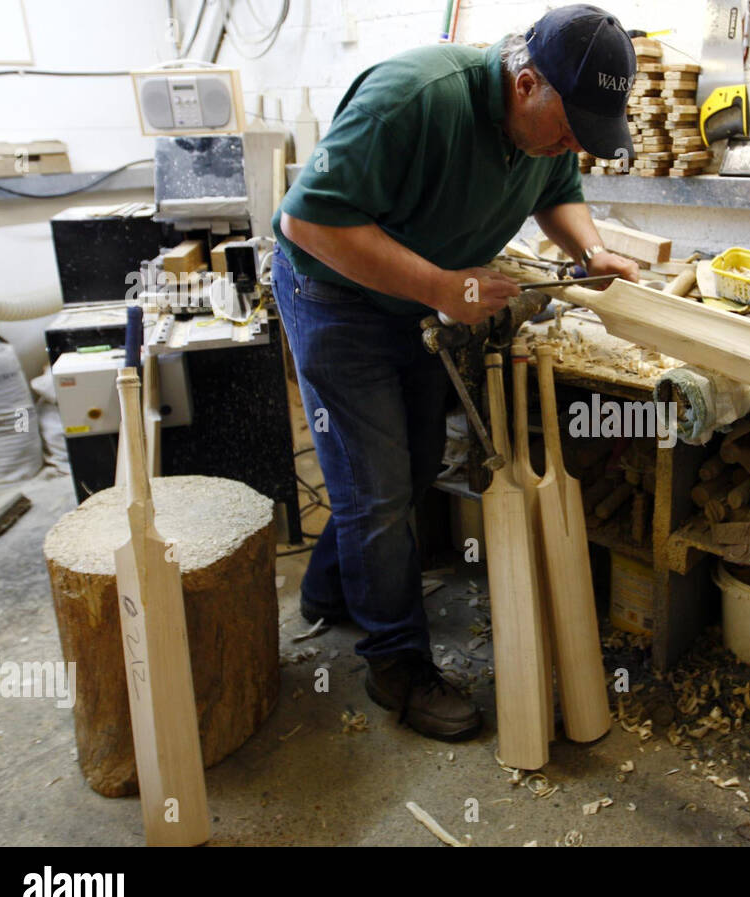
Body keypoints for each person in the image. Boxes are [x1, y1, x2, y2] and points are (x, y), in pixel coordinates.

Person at [271, 4, 640, 741]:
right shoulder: (411, 97)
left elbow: (557, 189)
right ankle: (397, 668)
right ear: (526, 82)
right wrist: (443, 289)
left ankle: (330, 592)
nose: (574, 146)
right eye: (569, 129)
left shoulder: (545, 126)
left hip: (413, 296)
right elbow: (306, 222)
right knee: (376, 490)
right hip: (336, 293)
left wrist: (588, 249)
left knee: (402, 476)